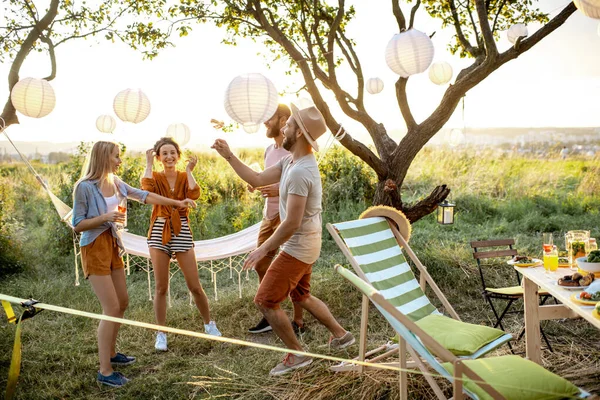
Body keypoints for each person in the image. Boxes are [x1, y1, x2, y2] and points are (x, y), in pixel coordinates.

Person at [212, 103, 354, 376]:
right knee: (301, 295)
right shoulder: (291, 161)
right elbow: (256, 177)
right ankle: (341, 335)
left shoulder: (302, 172)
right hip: (305, 244)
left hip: (298, 246)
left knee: (265, 300)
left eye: (289, 125)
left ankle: (297, 355)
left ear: (299, 133)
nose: (284, 127)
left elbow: (291, 223)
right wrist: (229, 156)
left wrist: (263, 249)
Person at [72, 141, 197, 387]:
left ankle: (111, 353)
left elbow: (144, 195)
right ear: (103, 158)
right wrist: (105, 218)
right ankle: (105, 372)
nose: (120, 161)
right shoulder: (84, 187)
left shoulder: (116, 183)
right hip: (94, 248)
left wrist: (176, 203)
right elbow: (77, 224)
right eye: (116, 156)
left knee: (123, 302)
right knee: (110, 307)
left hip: (112, 244)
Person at [142, 137, 221, 352]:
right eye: (164, 153)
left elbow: (195, 194)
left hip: (182, 229)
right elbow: (146, 188)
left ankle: (209, 324)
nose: (169, 156)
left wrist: (190, 170)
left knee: (194, 285)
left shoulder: (184, 176)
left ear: (178, 155)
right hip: (159, 230)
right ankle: (161, 333)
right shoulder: (155, 176)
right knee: (161, 287)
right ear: (158, 157)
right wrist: (148, 164)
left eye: (172, 153)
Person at [247, 104, 305, 335]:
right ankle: (272, 312)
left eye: (269, 118)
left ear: (283, 120)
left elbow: (300, 183)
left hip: (286, 214)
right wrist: (257, 185)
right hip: (268, 215)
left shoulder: (294, 151)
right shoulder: (269, 150)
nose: (265, 123)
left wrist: (277, 189)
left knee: (294, 268)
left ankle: (298, 321)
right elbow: (265, 179)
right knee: (261, 264)